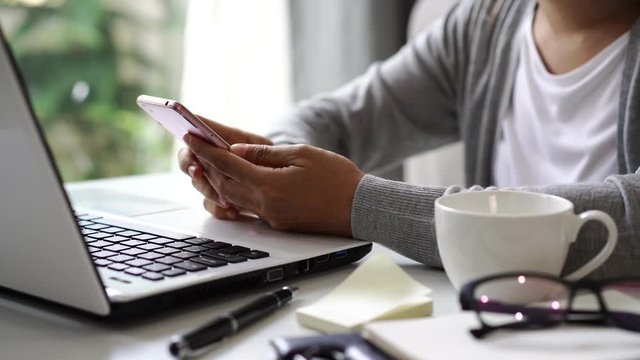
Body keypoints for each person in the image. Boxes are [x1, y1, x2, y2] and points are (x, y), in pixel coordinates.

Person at [178, 0, 640, 279]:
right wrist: (272, 169)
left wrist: (356, 205)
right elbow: (338, 118)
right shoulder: (486, 25)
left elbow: (630, 213)